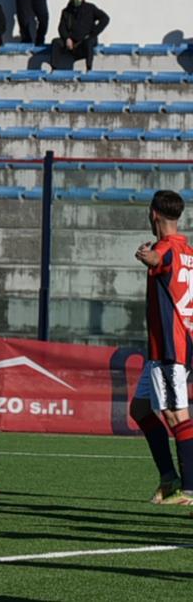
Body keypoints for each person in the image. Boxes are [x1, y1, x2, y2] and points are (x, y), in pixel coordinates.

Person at [130, 190, 193, 507]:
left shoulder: (165, 248)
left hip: (170, 347)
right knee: (140, 409)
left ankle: (190, 490)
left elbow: (159, 259)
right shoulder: (188, 250)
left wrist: (146, 255)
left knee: (175, 413)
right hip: (171, 346)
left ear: (153, 213)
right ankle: (169, 478)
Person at [50, 0, 109, 71]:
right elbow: (61, 28)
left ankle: (89, 68)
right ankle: (54, 68)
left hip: (85, 40)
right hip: (71, 42)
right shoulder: (66, 11)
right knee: (56, 42)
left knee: (89, 42)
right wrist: (67, 38)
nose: (75, 0)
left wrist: (93, 33)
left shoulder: (90, 8)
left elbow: (105, 18)